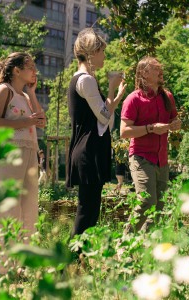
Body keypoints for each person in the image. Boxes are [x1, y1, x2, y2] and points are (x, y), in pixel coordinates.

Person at [0, 52, 46, 273]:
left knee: (27, 211)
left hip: (27, 156)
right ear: (16, 70)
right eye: (30, 66)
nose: (34, 71)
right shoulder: (3, 90)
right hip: (6, 156)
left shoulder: (25, 96)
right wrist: (26, 121)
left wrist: (32, 93)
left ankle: (18, 265)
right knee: (5, 209)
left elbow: (42, 122)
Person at [67, 28, 126, 239]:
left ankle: (80, 259)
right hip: (88, 150)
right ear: (91, 53)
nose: (104, 56)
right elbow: (104, 117)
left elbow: (105, 116)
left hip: (89, 149)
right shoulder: (86, 80)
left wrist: (116, 96)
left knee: (91, 211)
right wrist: (111, 89)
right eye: (102, 51)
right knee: (87, 212)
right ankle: (69, 261)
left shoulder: (84, 79)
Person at [120, 56, 181, 233]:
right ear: (144, 74)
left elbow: (174, 119)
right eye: (156, 68)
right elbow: (124, 132)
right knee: (147, 202)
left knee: (159, 209)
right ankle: (124, 244)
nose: (160, 70)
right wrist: (151, 128)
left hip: (162, 160)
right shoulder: (133, 99)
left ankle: (146, 250)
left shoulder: (167, 96)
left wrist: (176, 124)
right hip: (141, 157)